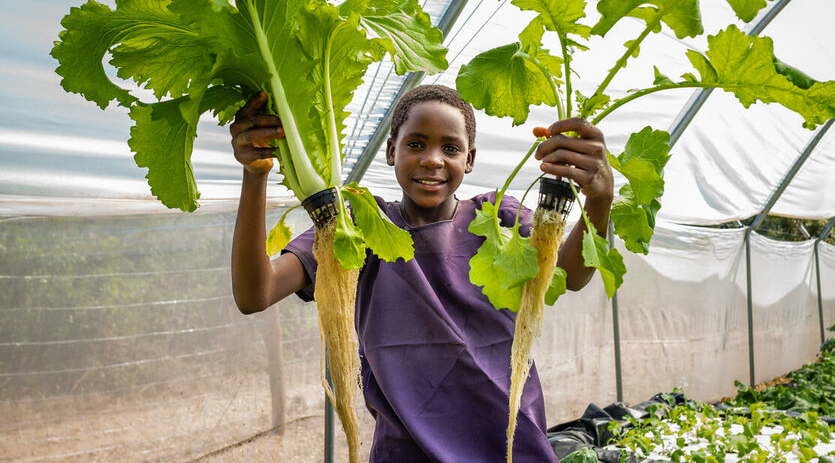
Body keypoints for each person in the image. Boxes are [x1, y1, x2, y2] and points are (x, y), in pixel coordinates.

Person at [229, 85, 614, 462]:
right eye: (416, 144)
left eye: (450, 148)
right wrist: (255, 174)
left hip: (513, 446)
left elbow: (571, 274)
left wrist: (599, 200)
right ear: (391, 151)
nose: (432, 160)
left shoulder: (498, 216)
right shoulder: (358, 226)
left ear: (470, 159)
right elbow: (255, 294)